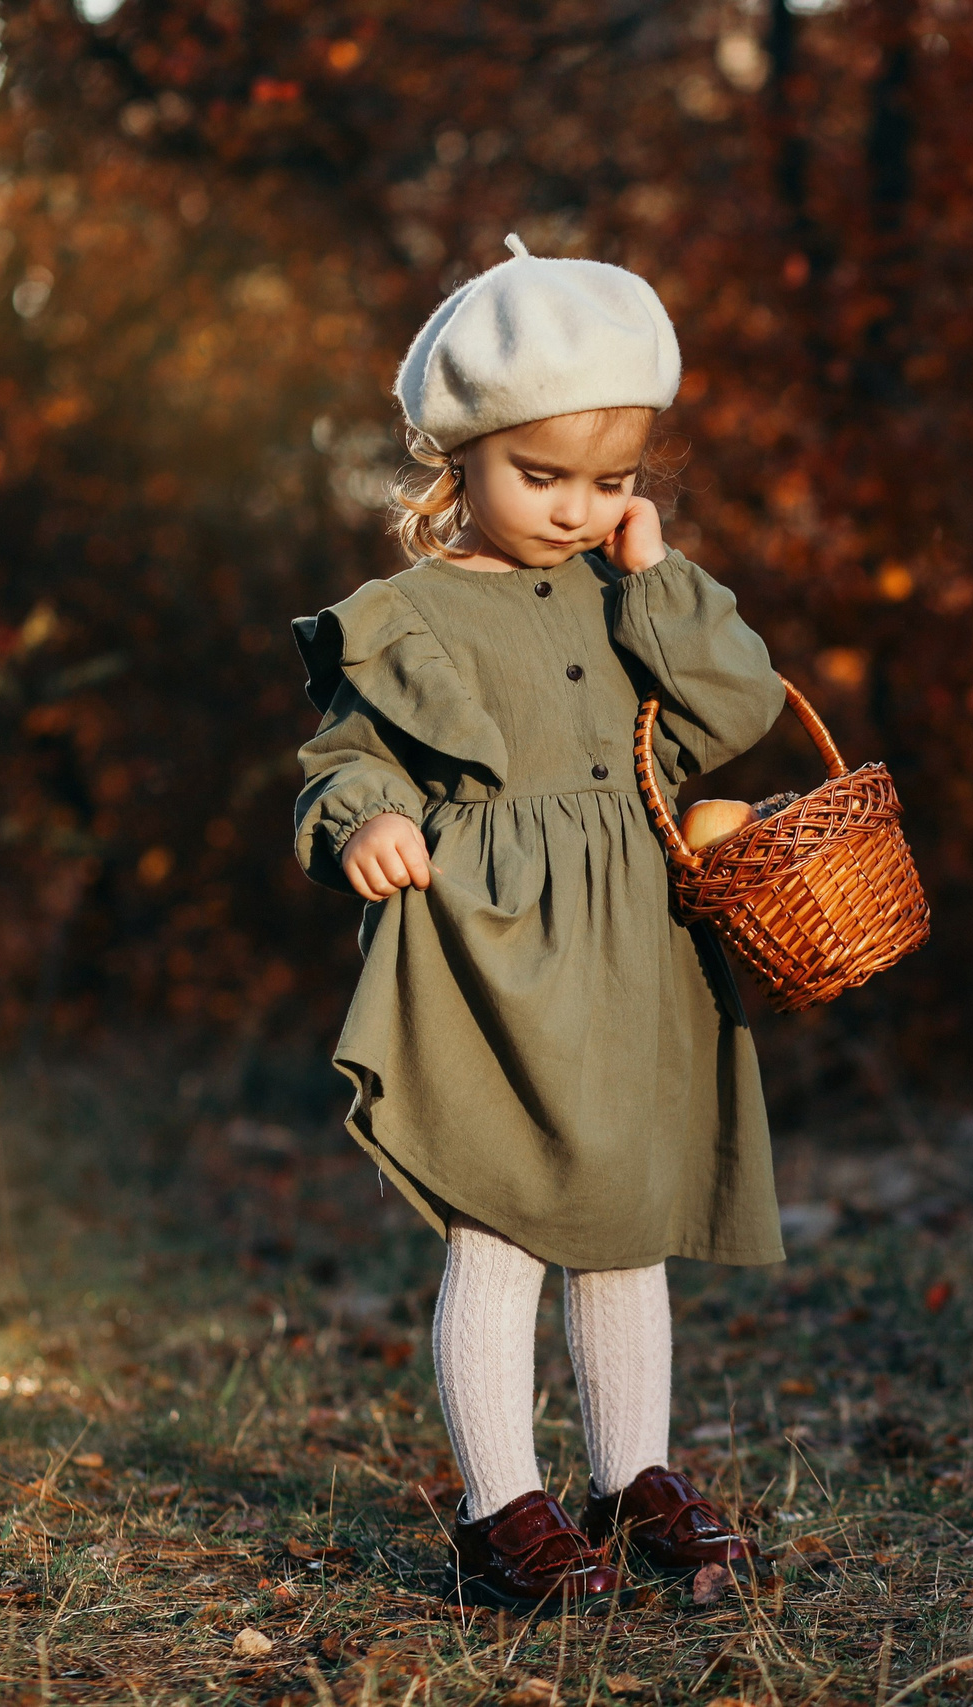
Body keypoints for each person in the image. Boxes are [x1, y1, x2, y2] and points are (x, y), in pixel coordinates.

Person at [290, 235, 785, 1609]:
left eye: (610, 481)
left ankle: (634, 1480)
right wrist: (366, 827)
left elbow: (734, 714)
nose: (576, 508)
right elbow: (347, 765)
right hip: (485, 953)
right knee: (500, 1221)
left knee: (624, 1216)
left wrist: (659, 571)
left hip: (631, 947)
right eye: (542, 473)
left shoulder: (632, 597)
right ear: (461, 457)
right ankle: (501, 1506)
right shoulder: (407, 617)